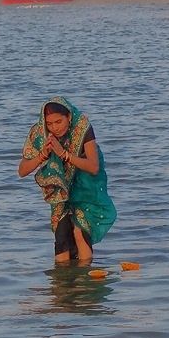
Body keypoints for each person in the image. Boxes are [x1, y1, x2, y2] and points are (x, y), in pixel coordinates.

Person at [18, 98, 116, 264]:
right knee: (61, 234)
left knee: (80, 230)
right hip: (61, 189)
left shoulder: (82, 126)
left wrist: (64, 154)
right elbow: (22, 170)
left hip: (86, 186)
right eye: (50, 123)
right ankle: (61, 283)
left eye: (59, 121)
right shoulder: (40, 134)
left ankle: (86, 279)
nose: (55, 128)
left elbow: (93, 167)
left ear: (69, 117)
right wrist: (43, 154)